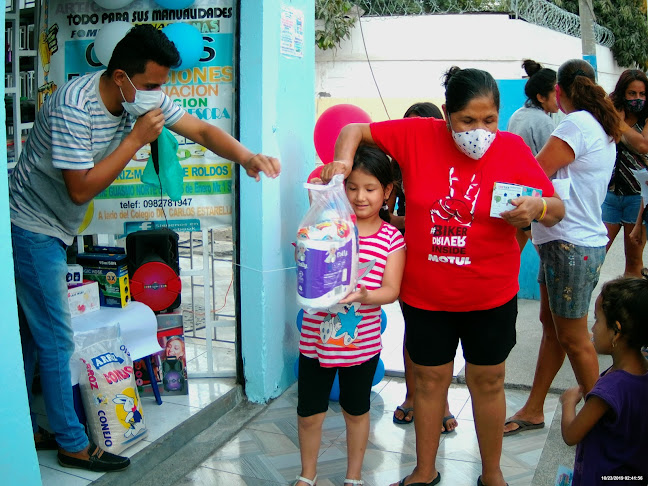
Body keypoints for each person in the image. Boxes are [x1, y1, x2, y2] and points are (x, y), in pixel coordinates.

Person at [10, 24, 279, 472]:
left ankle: (22, 424)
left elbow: (201, 130)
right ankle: (72, 442)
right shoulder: (73, 109)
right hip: (31, 224)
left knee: (30, 337)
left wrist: (248, 157)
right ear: (121, 77)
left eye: (163, 85)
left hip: (56, 224)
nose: (160, 94)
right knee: (56, 338)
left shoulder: (141, 95)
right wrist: (135, 140)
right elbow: (80, 190)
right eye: (153, 85)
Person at [322, 67, 564, 486]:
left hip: (490, 296)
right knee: (430, 382)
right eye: (467, 121)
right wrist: (342, 163)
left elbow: (556, 206)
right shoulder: (418, 136)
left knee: (488, 382)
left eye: (488, 120)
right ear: (447, 114)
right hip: (426, 297)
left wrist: (537, 208)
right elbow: (355, 128)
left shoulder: (512, 149)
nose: (480, 131)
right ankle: (424, 470)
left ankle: (492, 475)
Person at [504, 59, 621, 438]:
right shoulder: (599, 124)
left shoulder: (577, 124)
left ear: (560, 92)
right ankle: (535, 408)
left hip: (569, 243)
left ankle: (604, 424)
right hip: (574, 242)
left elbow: (535, 173)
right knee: (553, 330)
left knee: (573, 336)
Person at [294, 146, 406, 486]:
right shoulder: (328, 228)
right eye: (352, 187)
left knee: (356, 412)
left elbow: (392, 290)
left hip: (361, 347)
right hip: (314, 341)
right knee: (309, 413)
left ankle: (354, 476)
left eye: (370, 189)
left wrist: (366, 295)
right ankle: (307, 475)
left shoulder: (391, 239)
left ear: (387, 192)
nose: (359, 197)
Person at [389, 102, 458, 435]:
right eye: (409, 127)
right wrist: (410, 221)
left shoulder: (449, 163)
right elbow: (383, 216)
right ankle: (411, 395)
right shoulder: (395, 167)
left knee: (446, 330)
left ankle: (442, 402)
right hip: (408, 251)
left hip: (446, 253)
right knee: (415, 327)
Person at [559, 275, 648, 485]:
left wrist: (568, 403)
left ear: (616, 331)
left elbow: (571, 435)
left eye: (598, 320)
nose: (592, 328)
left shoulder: (609, 390)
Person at [507, 59, 558, 250]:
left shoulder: (518, 114)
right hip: (532, 196)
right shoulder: (544, 122)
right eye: (556, 92)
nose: (560, 96)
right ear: (541, 97)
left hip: (514, 192)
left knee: (512, 251)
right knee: (547, 255)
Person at [602, 69, 648, 277]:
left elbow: (643, 145)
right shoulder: (609, 115)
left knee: (634, 263)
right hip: (610, 196)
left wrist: (618, 123)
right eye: (632, 94)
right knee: (596, 256)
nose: (637, 99)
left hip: (636, 199)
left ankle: (632, 309)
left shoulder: (645, 119)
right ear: (623, 93)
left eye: (642, 94)